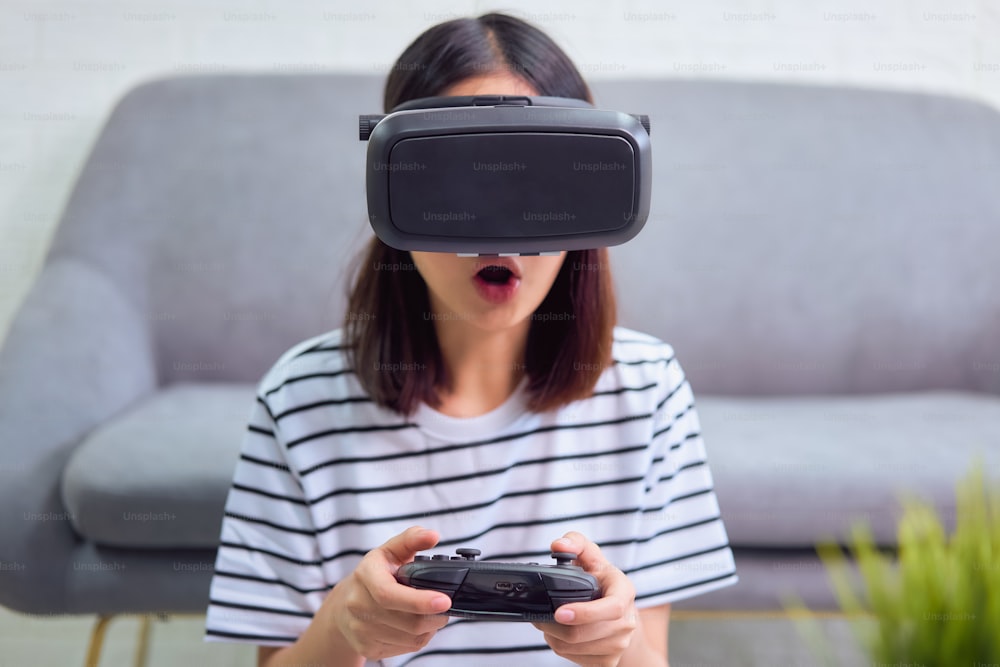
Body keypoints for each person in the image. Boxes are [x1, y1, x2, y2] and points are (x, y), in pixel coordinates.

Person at [205, 12, 737, 667]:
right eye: (460, 178)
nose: (501, 237)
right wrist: (344, 628)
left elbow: (649, 656)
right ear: (394, 186)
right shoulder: (299, 400)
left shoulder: (647, 389)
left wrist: (616, 649)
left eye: (537, 184)